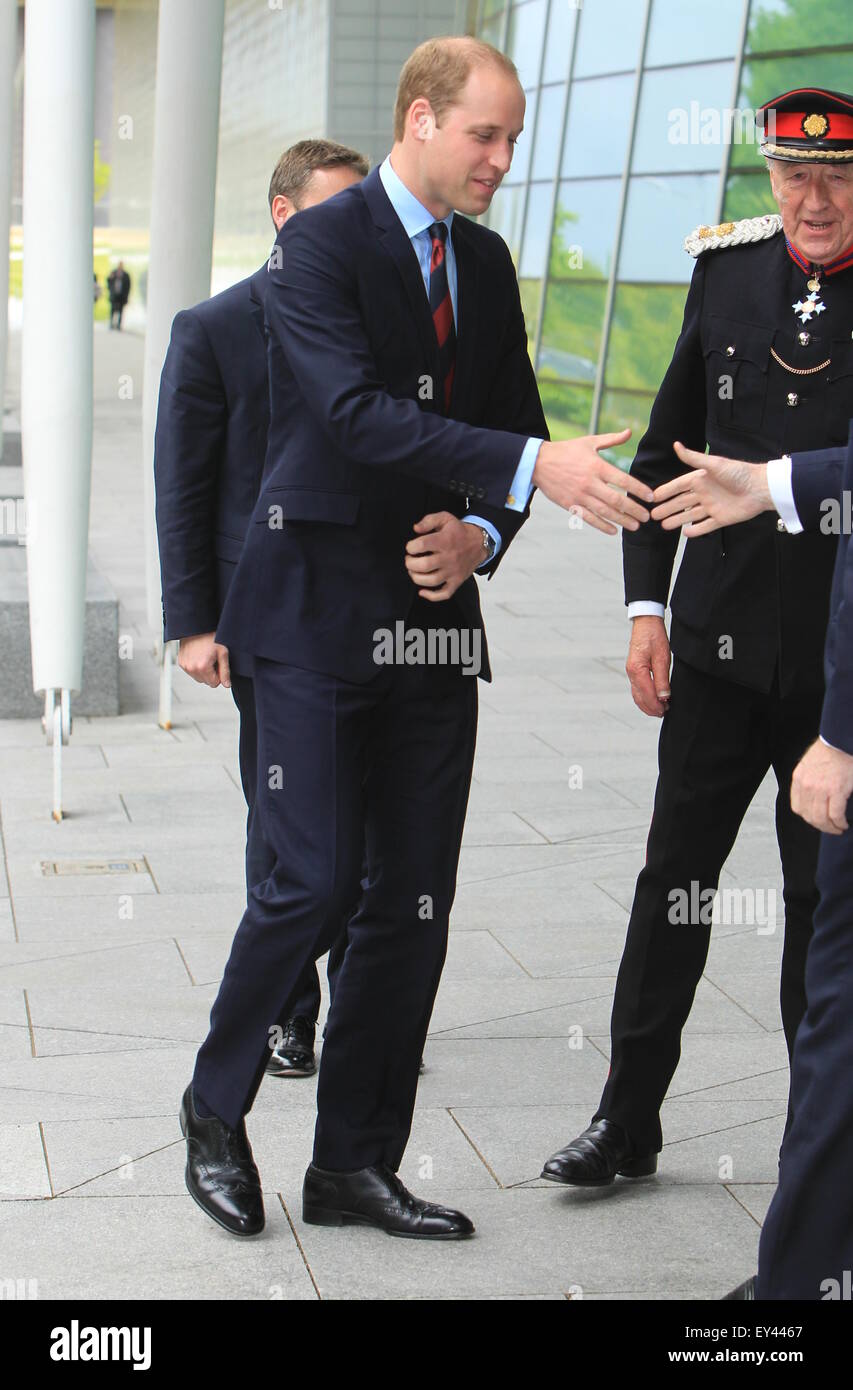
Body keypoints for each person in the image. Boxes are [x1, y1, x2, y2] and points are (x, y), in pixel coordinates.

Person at [179, 35, 651, 1243]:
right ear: (422, 118)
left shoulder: (484, 266)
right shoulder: (317, 248)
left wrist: (485, 534)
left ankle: (352, 1166)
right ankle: (211, 1111)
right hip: (311, 619)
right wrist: (523, 468)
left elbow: (515, 427)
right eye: (484, 136)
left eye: (512, 139)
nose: (501, 159)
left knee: (412, 905)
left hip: (435, 632)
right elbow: (349, 413)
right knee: (312, 885)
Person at [542, 86, 853, 1190]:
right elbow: (668, 452)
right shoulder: (727, 271)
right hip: (715, 653)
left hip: (832, 675)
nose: (811, 199)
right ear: (767, 176)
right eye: (791, 174)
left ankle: (813, 1155)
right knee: (671, 883)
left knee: (821, 915)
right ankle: (625, 1121)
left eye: (835, 175)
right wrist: (644, 607)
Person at [155, 140, 376, 1079]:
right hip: (264, 613)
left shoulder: (377, 322)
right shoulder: (212, 328)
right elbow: (183, 485)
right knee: (283, 817)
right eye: (337, 213)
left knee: (367, 825)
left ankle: (365, 1006)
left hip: (371, 611)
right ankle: (290, 1008)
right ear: (286, 217)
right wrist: (194, 623)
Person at [107, 261, 131, 329]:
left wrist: (127, 296)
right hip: (114, 295)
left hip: (122, 296)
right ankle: (111, 324)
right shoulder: (113, 273)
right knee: (112, 310)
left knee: (121, 311)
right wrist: (110, 278)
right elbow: (108, 282)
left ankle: (118, 325)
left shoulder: (126, 275)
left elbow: (128, 286)